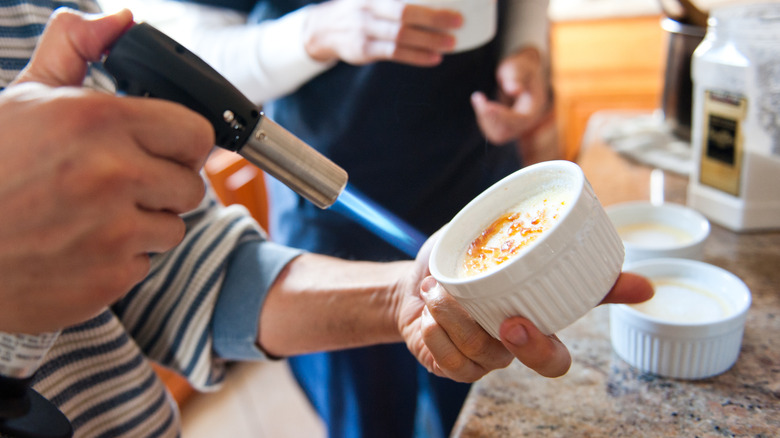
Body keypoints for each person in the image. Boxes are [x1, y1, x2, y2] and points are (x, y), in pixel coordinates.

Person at [0, 3, 652, 437]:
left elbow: (186, 274)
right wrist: (314, 32)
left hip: (465, 170)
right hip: (337, 187)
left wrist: (406, 296)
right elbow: (206, 50)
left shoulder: (33, 17)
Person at [159, 0, 557, 436]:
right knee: (368, 422)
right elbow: (192, 61)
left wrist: (524, 50)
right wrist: (315, 33)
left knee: (499, 413)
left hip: (482, 188)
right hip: (336, 215)